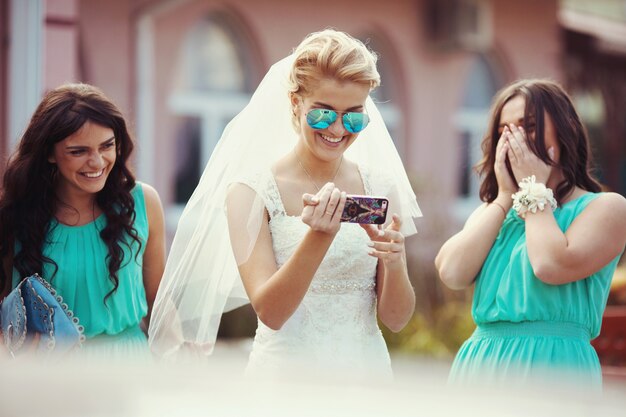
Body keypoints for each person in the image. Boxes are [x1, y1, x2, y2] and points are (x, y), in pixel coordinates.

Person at [149, 29, 422, 381]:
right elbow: (271, 312)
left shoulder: (380, 187)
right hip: (284, 380)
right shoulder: (250, 191)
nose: (338, 129)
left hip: (366, 378)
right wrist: (319, 236)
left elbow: (397, 320)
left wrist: (395, 263)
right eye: (323, 114)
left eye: (353, 116)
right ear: (296, 102)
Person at [435, 79, 626, 388]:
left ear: (565, 132)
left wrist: (534, 188)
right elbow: (452, 272)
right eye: (503, 131)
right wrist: (503, 199)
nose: (514, 139)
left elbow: (550, 264)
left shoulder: (606, 208)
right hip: (480, 367)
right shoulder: (494, 212)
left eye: (529, 126)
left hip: (555, 369)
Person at [0, 83, 166, 358]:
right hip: (47, 381)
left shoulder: (143, 203)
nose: (97, 162)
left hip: (130, 371)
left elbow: (159, 302)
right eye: (79, 151)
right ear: (49, 153)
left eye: (107, 146)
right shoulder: (12, 215)